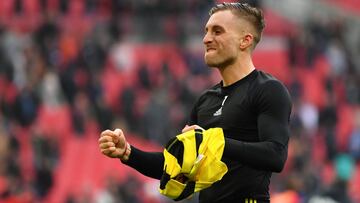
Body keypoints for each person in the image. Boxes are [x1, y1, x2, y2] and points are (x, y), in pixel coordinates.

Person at [98, 2, 292, 203]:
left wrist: (212, 141)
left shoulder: (268, 89)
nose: (206, 39)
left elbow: (275, 156)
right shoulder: (205, 101)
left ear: (245, 40)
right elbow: (176, 164)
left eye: (217, 32)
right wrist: (129, 152)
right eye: (207, 31)